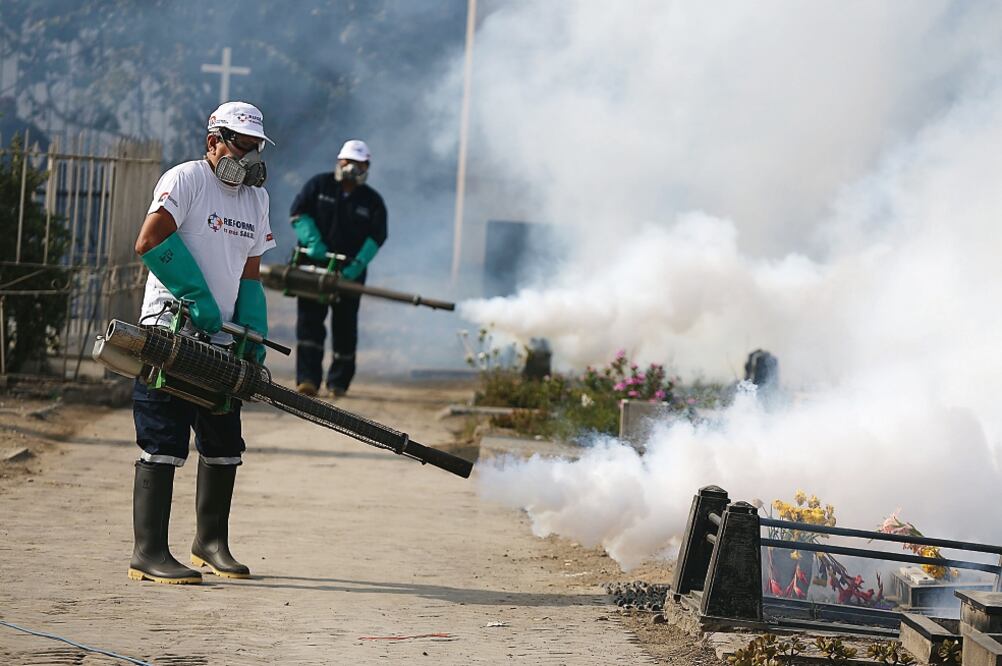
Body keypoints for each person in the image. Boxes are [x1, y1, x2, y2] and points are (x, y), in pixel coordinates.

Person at [129, 101, 276, 584]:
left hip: (222, 338)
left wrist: (253, 327)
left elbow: (250, 271)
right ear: (213, 141)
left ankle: (210, 544)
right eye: (242, 145)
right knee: (163, 437)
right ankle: (149, 553)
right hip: (172, 330)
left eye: (257, 147)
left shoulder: (256, 199)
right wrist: (195, 295)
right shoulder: (187, 179)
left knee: (224, 441)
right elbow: (151, 241)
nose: (251, 157)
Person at [290, 139, 387, 397]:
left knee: (345, 328)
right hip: (313, 270)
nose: (352, 168)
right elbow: (298, 213)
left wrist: (356, 265)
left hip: (348, 276)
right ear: (339, 161)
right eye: (348, 162)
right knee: (309, 324)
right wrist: (312, 240)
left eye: (358, 164)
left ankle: (338, 383)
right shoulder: (318, 185)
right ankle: (308, 380)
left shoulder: (372, 201)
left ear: (367, 166)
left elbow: (377, 236)